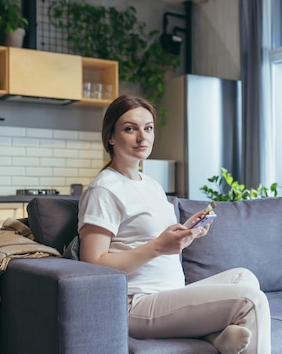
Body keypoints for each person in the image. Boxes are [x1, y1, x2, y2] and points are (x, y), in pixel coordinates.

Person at [78, 94, 271, 354]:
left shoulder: (152, 185)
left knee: (244, 277)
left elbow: (154, 240)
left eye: (148, 128)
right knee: (251, 300)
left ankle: (214, 337)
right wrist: (157, 247)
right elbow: (92, 265)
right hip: (135, 304)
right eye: (130, 128)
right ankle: (213, 336)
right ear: (110, 137)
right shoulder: (104, 189)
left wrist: (186, 232)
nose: (142, 137)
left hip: (169, 295)